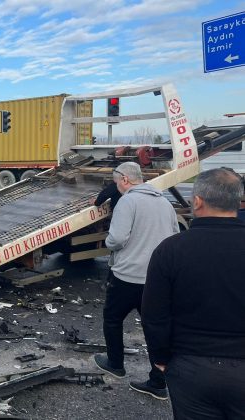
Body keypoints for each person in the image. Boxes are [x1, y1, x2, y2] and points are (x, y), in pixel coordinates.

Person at [142, 168, 245, 418]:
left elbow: (154, 314)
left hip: (190, 367)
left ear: (197, 202)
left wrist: (160, 358)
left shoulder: (170, 250)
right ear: (238, 202)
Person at [93, 162, 179, 400]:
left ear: (124, 180)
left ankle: (115, 364)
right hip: (156, 280)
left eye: (115, 180)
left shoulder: (128, 201)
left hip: (127, 275)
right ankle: (158, 381)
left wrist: (108, 242)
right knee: (155, 327)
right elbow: (174, 237)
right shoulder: (164, 202)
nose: (116, 185)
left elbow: (117, 238)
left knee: (112, 319)